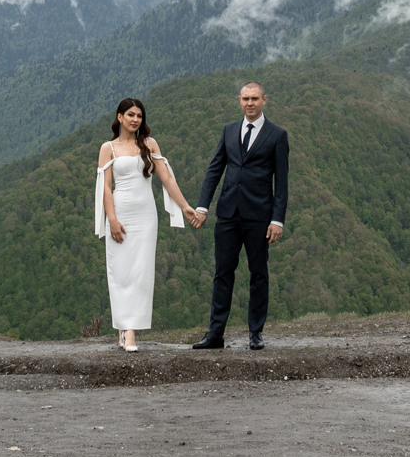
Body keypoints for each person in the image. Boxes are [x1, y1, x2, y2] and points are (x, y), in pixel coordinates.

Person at [186, 79, 289, 351]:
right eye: (245, 99)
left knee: (259, 274)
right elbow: (214, 169)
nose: (250, 103)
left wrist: (277, 220)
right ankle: (215, 334)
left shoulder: (277, 135)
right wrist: (202, 206)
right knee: (222, 273)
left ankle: (256, 333)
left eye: (254, 99)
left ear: (264, 100)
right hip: (228, 215)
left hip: (260, 217)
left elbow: (282, 183)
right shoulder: (229, 130)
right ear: (239, 101)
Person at [94, 97, 199, 351]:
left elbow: (166, 178)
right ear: (119, 117)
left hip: (146, 216)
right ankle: (125, 328)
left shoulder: (150, 144)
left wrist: (185, 206)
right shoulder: (108, 148)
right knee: (120, 272)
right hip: (120, 214)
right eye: (130, 115)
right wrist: (112, 219)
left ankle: (130, 329)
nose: (135, 120)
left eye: (139, 116)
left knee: (141, 273)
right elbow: (106, 188)